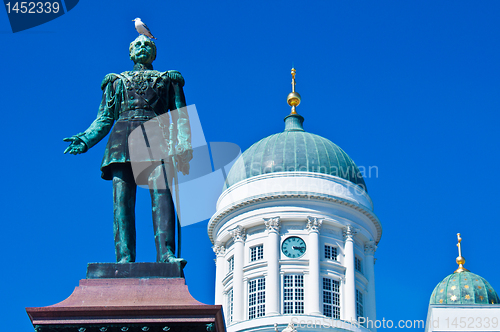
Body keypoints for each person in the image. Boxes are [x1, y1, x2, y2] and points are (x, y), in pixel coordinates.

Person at [64, 35, 192, 266]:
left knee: (162, 197)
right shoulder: (116, 81)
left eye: (147, 45)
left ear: (154, 53)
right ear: (131, 53)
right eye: (138, 46)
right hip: (122, 140)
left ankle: (166, 255)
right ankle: (124, 258)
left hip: (156, 137)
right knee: (122, 202)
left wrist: (183, 146)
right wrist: (85, 140)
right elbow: (104, 119)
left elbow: (181, 117)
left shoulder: (169, 79)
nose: (143, 48)